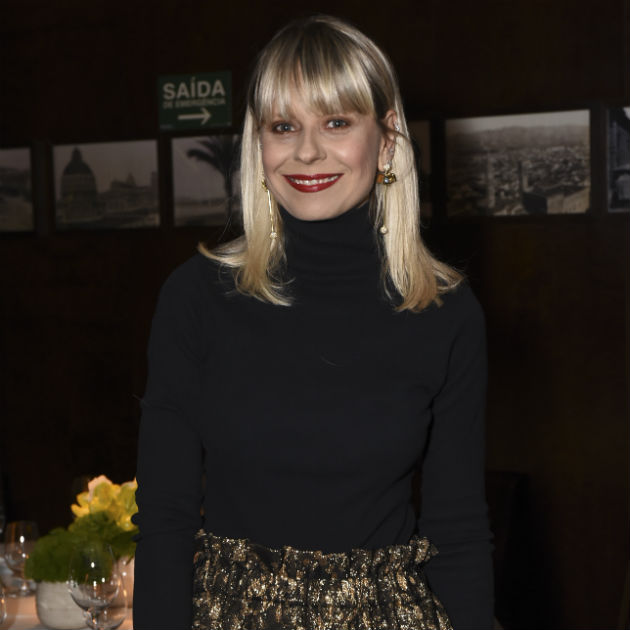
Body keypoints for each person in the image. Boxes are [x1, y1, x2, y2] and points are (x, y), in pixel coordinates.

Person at [132, 14, 493, 630]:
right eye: (283, 126)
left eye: (336, 122)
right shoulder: (196, 297)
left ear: (387, 139)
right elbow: (165, 517)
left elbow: (456, 529)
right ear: (259, 144)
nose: (306, 150)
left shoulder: (444, 310)